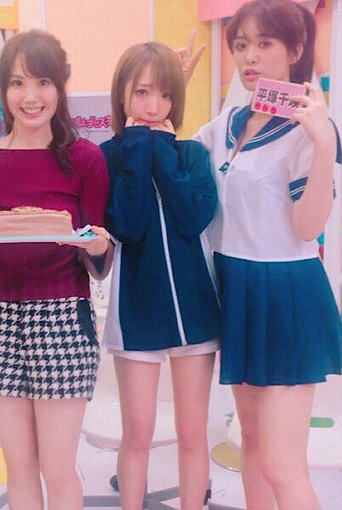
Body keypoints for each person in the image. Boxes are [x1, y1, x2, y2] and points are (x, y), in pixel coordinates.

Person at [192, 1, 342, 508]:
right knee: (252, 444)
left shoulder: (310, 128)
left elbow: (308, 228)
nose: (250, 57)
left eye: (265, 44)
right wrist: (167, 89)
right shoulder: (225, 124)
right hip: (236, 287)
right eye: (241, 45)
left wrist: (324, 145)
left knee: (283, 464)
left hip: (285, 292)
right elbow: (175, 171)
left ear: (296, 49)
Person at [0, 29, 111, 510]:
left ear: (60, 86)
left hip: (63, 318)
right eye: (17, 83)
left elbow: (97, 261)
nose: (30, 96)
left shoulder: (85, 158)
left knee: (57, 469)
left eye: (43, 81)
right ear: (3, 88)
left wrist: (99, 245)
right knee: (18, 468)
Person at [100, 41, 221, 510]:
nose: (154, 106)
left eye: (166, 94)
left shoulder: (191, 154)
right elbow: (126, 226)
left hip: (196, 313)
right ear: (122, 94)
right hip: (136, 314)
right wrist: (137, 150)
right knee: (138, 434)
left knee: (193, 434)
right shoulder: (108, 156)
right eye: (142, 92)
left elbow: (193, 219)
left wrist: (163, 153)